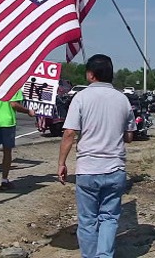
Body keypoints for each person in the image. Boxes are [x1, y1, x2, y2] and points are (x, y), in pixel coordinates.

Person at [57, 54, 136, 258]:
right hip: (115, 168)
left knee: (88, 220)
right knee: (109, 218)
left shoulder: (81, 98)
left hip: (88, 169)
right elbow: (129, 136)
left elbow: (69, 133)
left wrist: (61, 163)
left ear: (91, 75)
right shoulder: (123, 99)